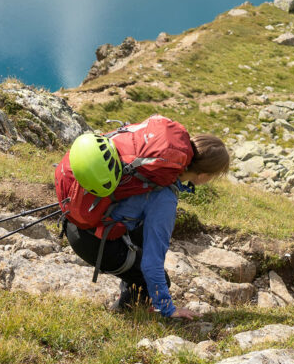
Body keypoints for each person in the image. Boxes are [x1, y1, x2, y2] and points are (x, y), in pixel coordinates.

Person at [65, 132, 231, 320]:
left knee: (143, 233)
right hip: (90, 241)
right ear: (203, 176)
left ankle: (129, 289)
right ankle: (124, 315)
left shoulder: (150, 162)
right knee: (150, 283)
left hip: (75, 215)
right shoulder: (164, 197)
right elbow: (152, 264)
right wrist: (168, 308)